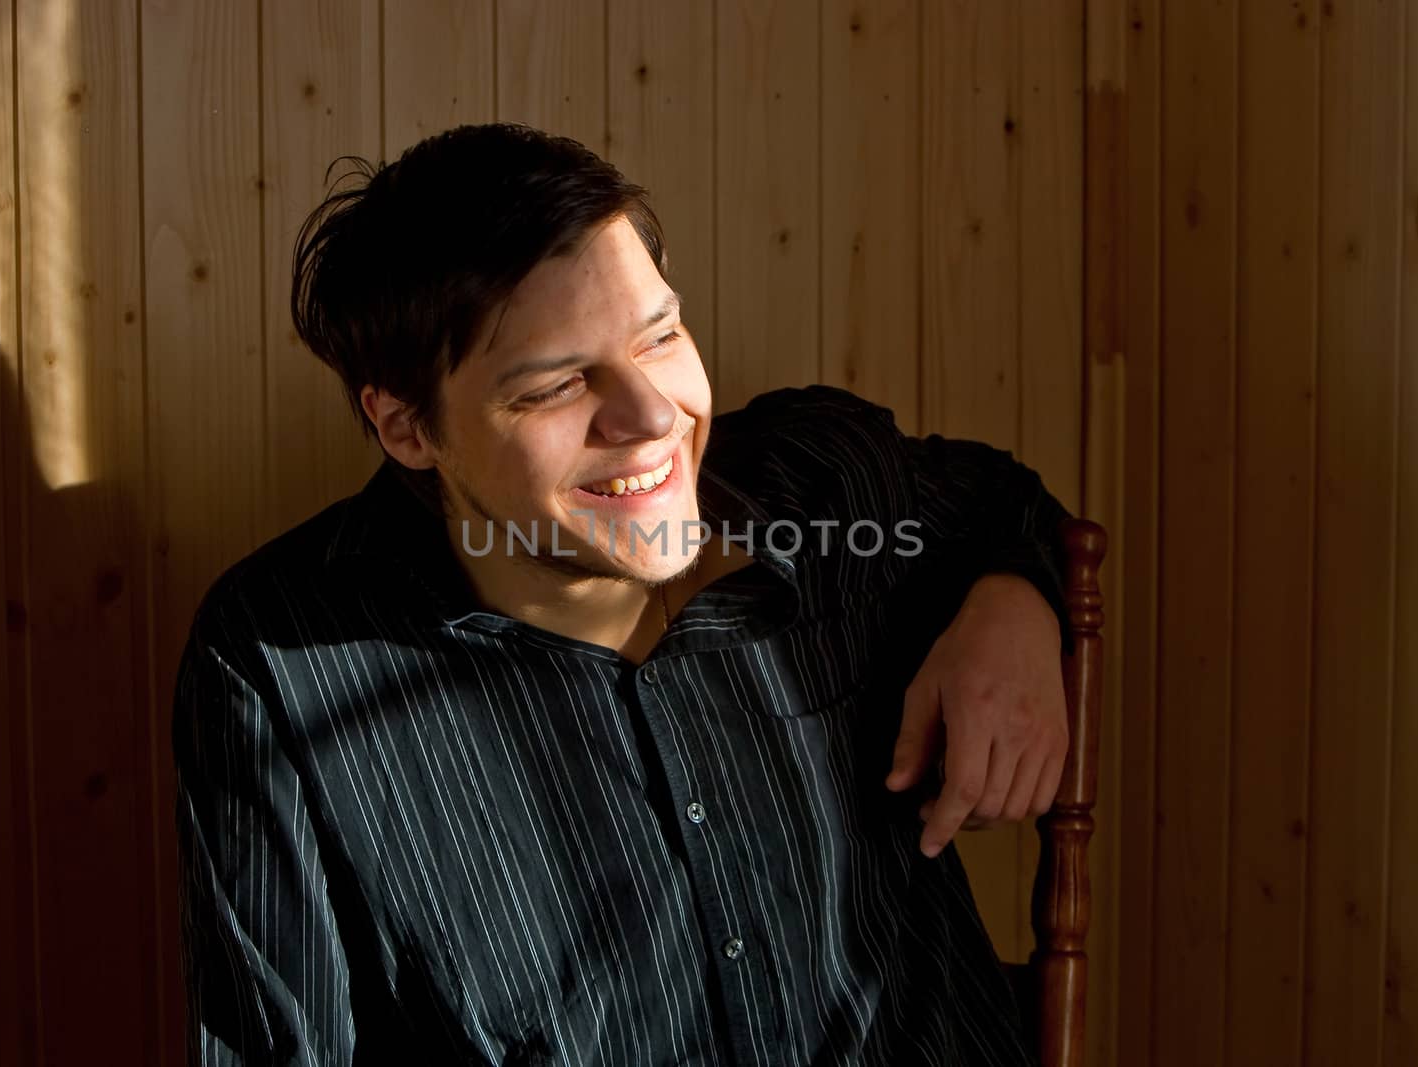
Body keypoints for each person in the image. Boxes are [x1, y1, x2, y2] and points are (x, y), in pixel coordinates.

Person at [173, 121, 1072, 1066]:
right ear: (406, 428)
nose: (654, 417)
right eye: (560, 385)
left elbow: (1008, 507)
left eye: (663, 334)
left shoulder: (824, 480)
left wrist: (1013, 605)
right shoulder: (277, 660)